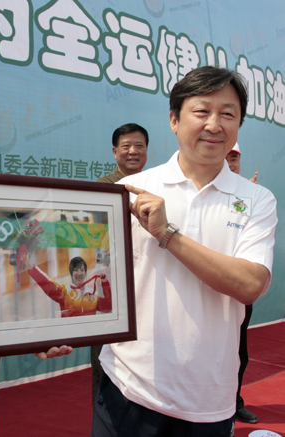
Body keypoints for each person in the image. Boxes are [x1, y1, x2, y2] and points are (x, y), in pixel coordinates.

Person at [93, 66, 277, 437]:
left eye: (228, 114)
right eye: (202, 111)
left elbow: (249, 285)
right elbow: (95, 277)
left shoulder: (257, 199)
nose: (214, 124)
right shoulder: (131, 190)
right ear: (174, 120)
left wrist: (168, 234)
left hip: (209, 397)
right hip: (129, 386)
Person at [92, 122, 149, 404]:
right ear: (115, 152)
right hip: (110, 283)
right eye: (126, 146)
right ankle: (104, 415)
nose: (133, 151)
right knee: (105, 358)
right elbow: (94, 239)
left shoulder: (156, 187)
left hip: (147, 282)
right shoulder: (102, 188)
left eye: (139, 146)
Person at [225, 143, 259, 424]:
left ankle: (233, 402)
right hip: (205, 290)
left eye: (234, 159)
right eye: (227, 157)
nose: (230, 163)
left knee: (239, 351)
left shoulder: (252, 198)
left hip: (237, 292)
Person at [26, 255, 112, 317]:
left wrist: (105, 284)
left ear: (85, 272)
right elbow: (48, 283)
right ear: (71, 273)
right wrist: (31, 267)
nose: (79, 273)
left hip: (89, 336)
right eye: (76, 270)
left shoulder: (93, 294)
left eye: (82, 270)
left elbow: (107, 307)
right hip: (70, 336)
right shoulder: (65, 292)